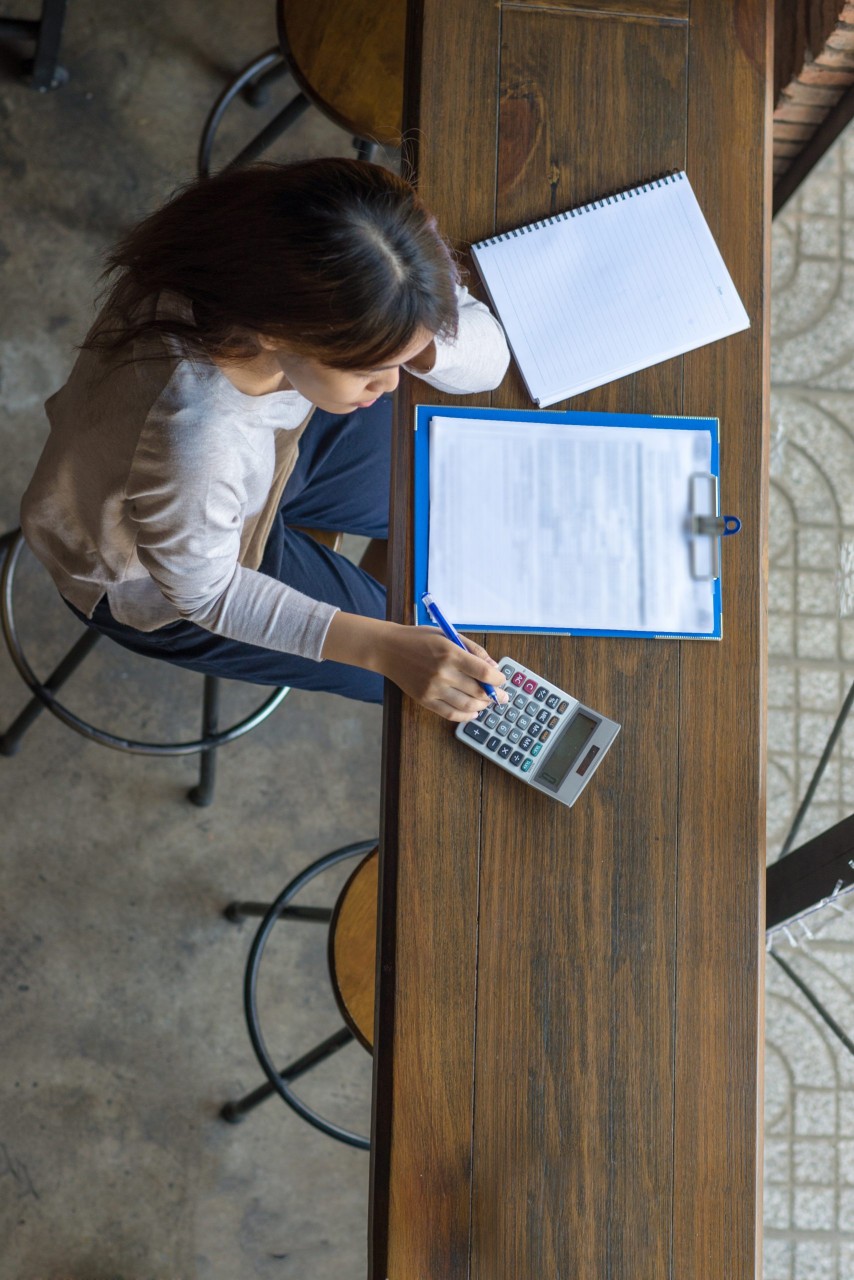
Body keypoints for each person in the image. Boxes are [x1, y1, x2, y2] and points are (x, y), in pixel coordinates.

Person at [20, 158, 511, 721]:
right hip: (162, 579)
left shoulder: (307, 245)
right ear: (280, 331)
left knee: (450, 494)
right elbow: (208, 593)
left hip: (267, 450)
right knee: (422, 663)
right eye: (368, 367)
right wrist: (383, 647)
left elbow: (488, 362)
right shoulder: (194, 439)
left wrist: (406, 331)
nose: (393, 384)